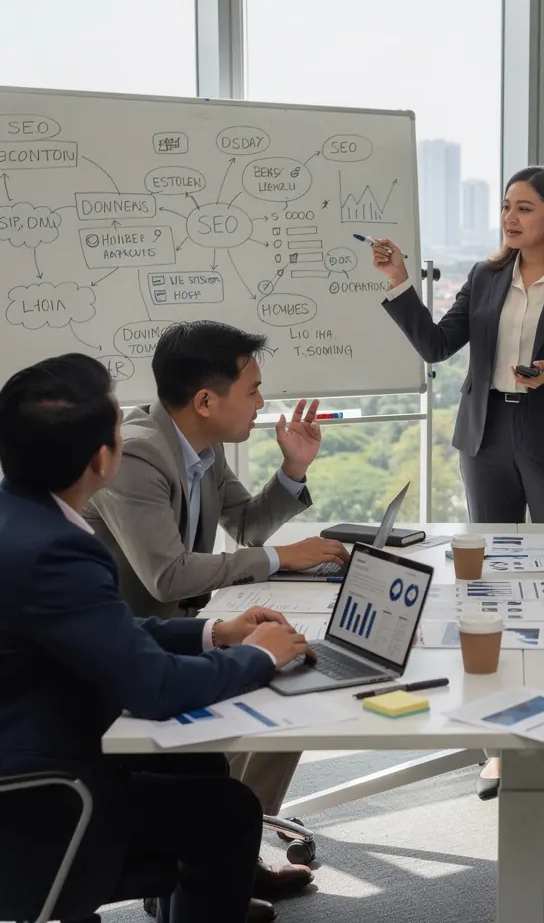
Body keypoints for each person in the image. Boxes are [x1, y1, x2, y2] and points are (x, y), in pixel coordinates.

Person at [0, 353, 314, 923]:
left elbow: (108, 628)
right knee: (231, 812)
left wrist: (215, 633)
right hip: (41, 793)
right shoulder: (55, 549)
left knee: (198, 767)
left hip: (28, 742)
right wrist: (257, 657)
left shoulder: (20, 519)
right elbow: (156, 687)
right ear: (103, 459)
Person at [372, 165, 544, 804]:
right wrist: (399, 282)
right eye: (507, 207)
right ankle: (499, 747)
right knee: (492, 594)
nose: (511, 218)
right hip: (486, 440)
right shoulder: (486, 278)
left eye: (525, 208)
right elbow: (435, 347)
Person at [84, 320, 344, 904]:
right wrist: (281, 557)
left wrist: (293, 470)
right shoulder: (140, 454)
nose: (260, 402)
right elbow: (168, 574)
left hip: (190, 625)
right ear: (206, 400)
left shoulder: (200, 447)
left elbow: (245, 524)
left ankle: (226, 861)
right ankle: (203, 866)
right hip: (139, 650)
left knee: (295, 682)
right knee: (278, 693)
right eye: (252, 390)